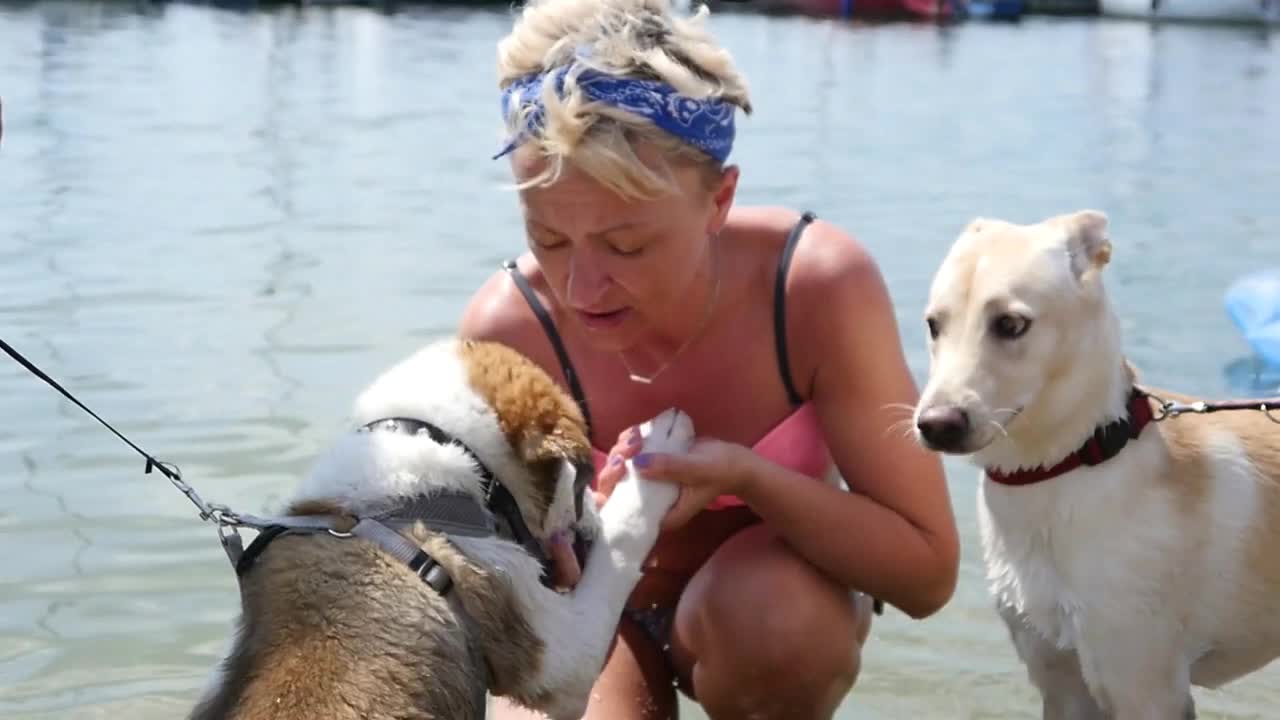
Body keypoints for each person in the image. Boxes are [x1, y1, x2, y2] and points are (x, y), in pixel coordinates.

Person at [457, 0, 960, 717]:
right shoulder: (510, 325)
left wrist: (747, 478)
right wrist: (562, 544)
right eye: (550, 239)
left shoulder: (813, 287)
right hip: (606, 621)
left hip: (765, 617)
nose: (581, 287)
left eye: (627, 245)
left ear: (719, 201)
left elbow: (927, 574)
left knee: (779, 620)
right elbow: (488, 599)